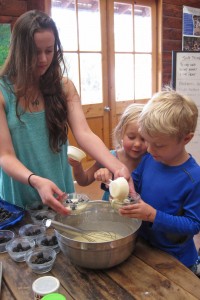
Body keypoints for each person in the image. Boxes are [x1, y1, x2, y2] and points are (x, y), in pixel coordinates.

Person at [0, 10, 133, 215]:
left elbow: (84, 134)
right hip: (19, 197)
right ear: (19, 51)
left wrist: (117, 167)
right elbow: (5, 156)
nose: (43, 59)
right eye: (35, 52)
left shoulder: (63, 86)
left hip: (61, 193)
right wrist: (35, 181)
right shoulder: (3, 92)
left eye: (49, 50)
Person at [119, 89, 200, 275]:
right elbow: (136, 183)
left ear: (186, 138)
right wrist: (120, 185)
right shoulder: (150, 159)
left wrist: (153, 215)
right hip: (145, 248)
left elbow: (193, 225)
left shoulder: (194, 178)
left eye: (159, 145)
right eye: (148, 141)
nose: (149, 149)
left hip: (176, 261)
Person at [69, 103, 147, 200]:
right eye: (131, 137)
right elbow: (84, 180)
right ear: (121, 133)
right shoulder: (109, 158)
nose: (137, 144)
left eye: (144, 139)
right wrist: (77, 166)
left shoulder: (150, 160)